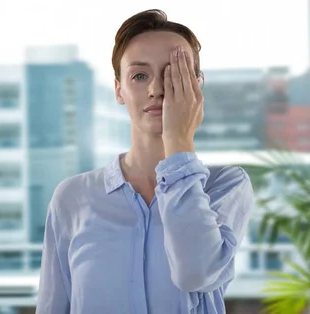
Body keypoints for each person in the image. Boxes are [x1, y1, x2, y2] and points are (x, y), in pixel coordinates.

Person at [35, 8, 255, 314]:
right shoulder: (72, 197)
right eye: (139, 76)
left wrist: (178, 141)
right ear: (119, 90)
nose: (157, 90)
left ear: (196, 86)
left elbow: (196, 272)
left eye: (173, 74)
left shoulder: (226, 186)